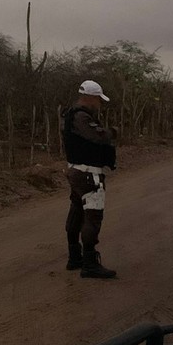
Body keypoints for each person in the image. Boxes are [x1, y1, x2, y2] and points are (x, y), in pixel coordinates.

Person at [62, 80, 117, 278]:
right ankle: (89, 263)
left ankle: (75, 257)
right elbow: (98, 136)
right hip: (88, 173)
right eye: (98, 100)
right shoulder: (81, 117)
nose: (99, 104)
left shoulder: (71, 114)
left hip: (77, 171)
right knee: (92, 217)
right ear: (90, 98)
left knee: (77, 210)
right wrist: (112, 133)